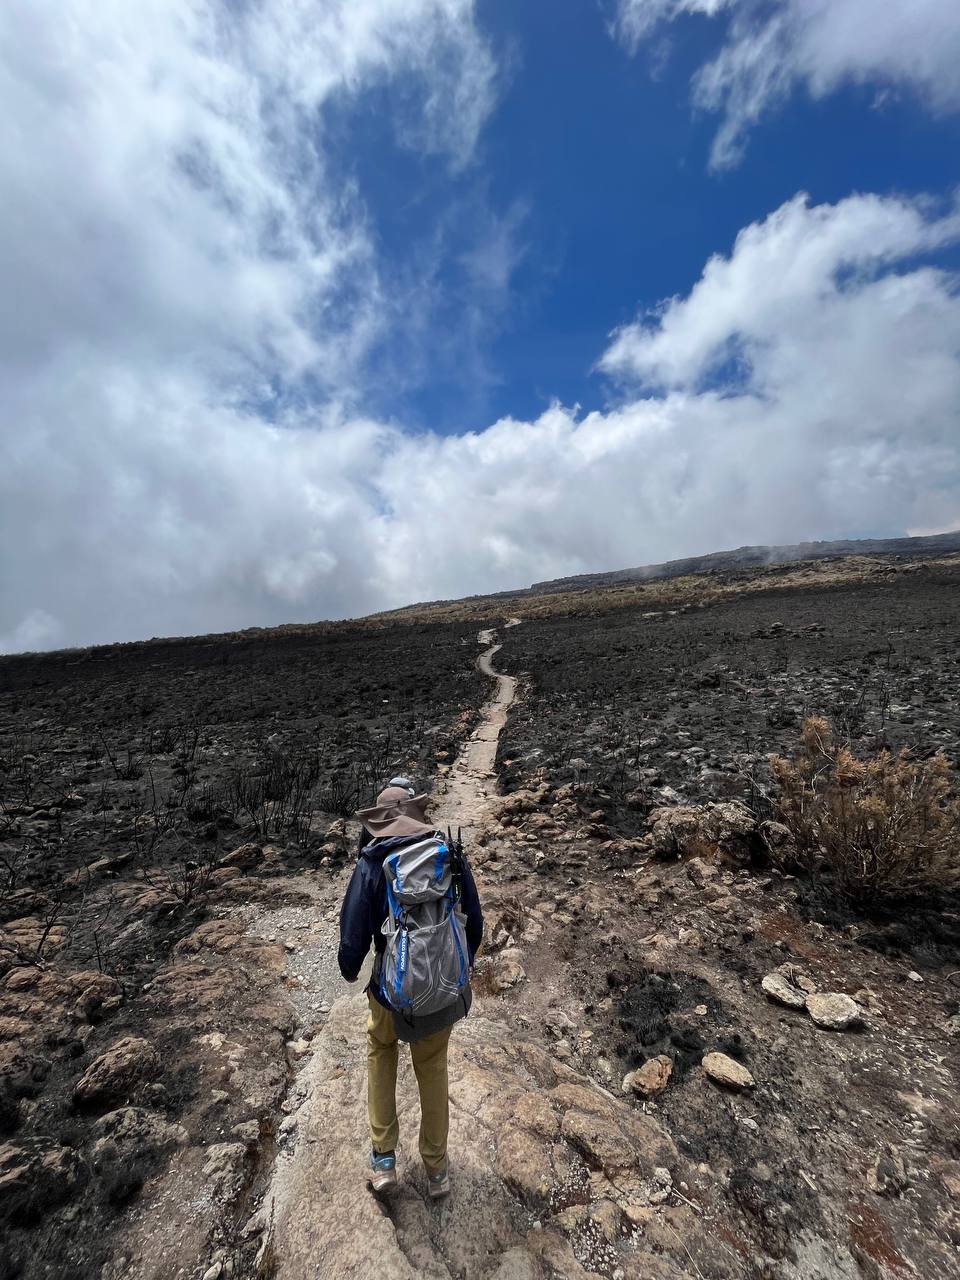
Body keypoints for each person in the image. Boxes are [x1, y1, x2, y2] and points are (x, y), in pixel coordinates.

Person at [337, 778, 483, 1198]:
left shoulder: (371, 862)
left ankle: (384, 1160)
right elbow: (474, 921)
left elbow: (352, 938)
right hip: (440, 989)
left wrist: (351, 970)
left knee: (381, 1051)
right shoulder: (446, 854)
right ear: (416, 813)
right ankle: (437, 1171)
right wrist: (455, 967)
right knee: (432, 1067)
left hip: (390, 990)